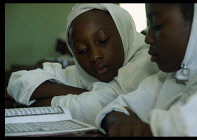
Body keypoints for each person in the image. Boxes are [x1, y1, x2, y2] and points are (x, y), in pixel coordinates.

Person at [7, 4, 159, 126]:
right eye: (81, 50)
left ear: (124, 32)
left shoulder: (147, 61)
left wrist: (36, 103)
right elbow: (18, 81)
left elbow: (97, 107)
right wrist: (82, 93)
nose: (94, 56)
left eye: (103, 40)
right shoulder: (85, 72)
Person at [95, 3, 197, 136]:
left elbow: (187, 127)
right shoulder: (170, 77)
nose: (147, 38)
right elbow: (112, 109)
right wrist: (121, 122)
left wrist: (142, 127)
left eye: (157, 25)